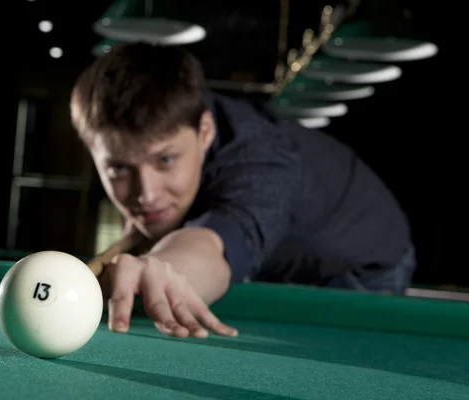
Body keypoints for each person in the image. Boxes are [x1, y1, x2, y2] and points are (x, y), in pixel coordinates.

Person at [69, 42, 416, 339]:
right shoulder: (183, 119)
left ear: (204, 131)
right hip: (286, 253)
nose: (147, 194)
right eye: (119, 169)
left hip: (364, 266)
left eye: (165, 160)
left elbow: (213, 245)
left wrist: (161, 265)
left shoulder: (262, 163)